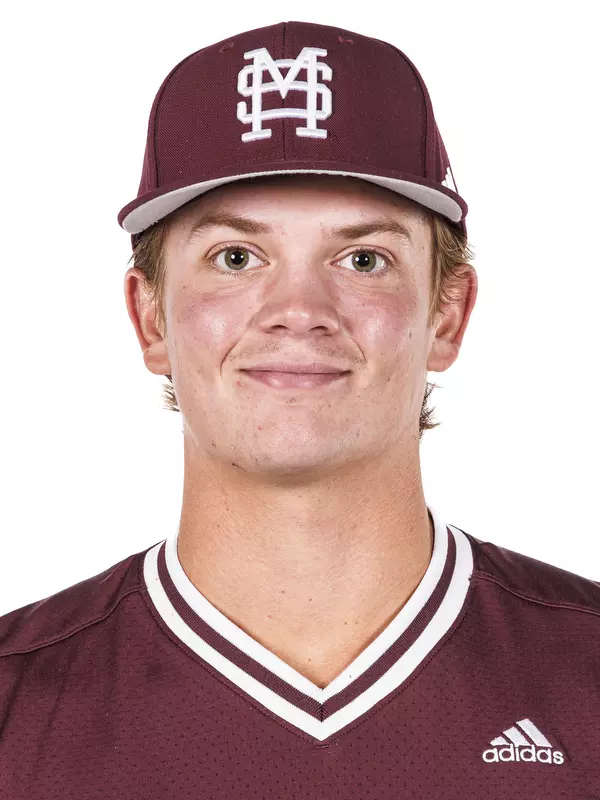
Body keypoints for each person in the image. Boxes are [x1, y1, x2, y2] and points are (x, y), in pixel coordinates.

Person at [1, 20, 598, 800]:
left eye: (362, 259)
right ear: (151, 319)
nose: (298, 310)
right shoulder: (16, 706)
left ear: (448, 316)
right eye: (236, 258)